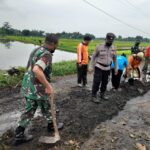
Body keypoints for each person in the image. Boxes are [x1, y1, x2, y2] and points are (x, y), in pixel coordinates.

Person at [14, 34, 63, 145]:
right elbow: (36, 69)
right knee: (50, 106)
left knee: (30, 109)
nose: (57, 47)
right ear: (53, 44)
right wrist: (48, 86)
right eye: (57, 45)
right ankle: (51, 126)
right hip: (38, 88)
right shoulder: (46, 54)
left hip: (28, 86)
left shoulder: (36, 50)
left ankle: (19, 134)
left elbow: (31, 67)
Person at [89, 33, 117, 103]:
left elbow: (115, 59)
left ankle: (102, 94)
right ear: (106, 39)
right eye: (109, 40)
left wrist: (116, 68)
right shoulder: (99, 46)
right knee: (97, 81)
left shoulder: (113, 48)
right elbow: (93, 56)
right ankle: (94, 96)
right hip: (99, 67)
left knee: (105, 82)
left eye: (111, 41)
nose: (110, 42)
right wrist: (90, 66)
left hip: (107, 68)